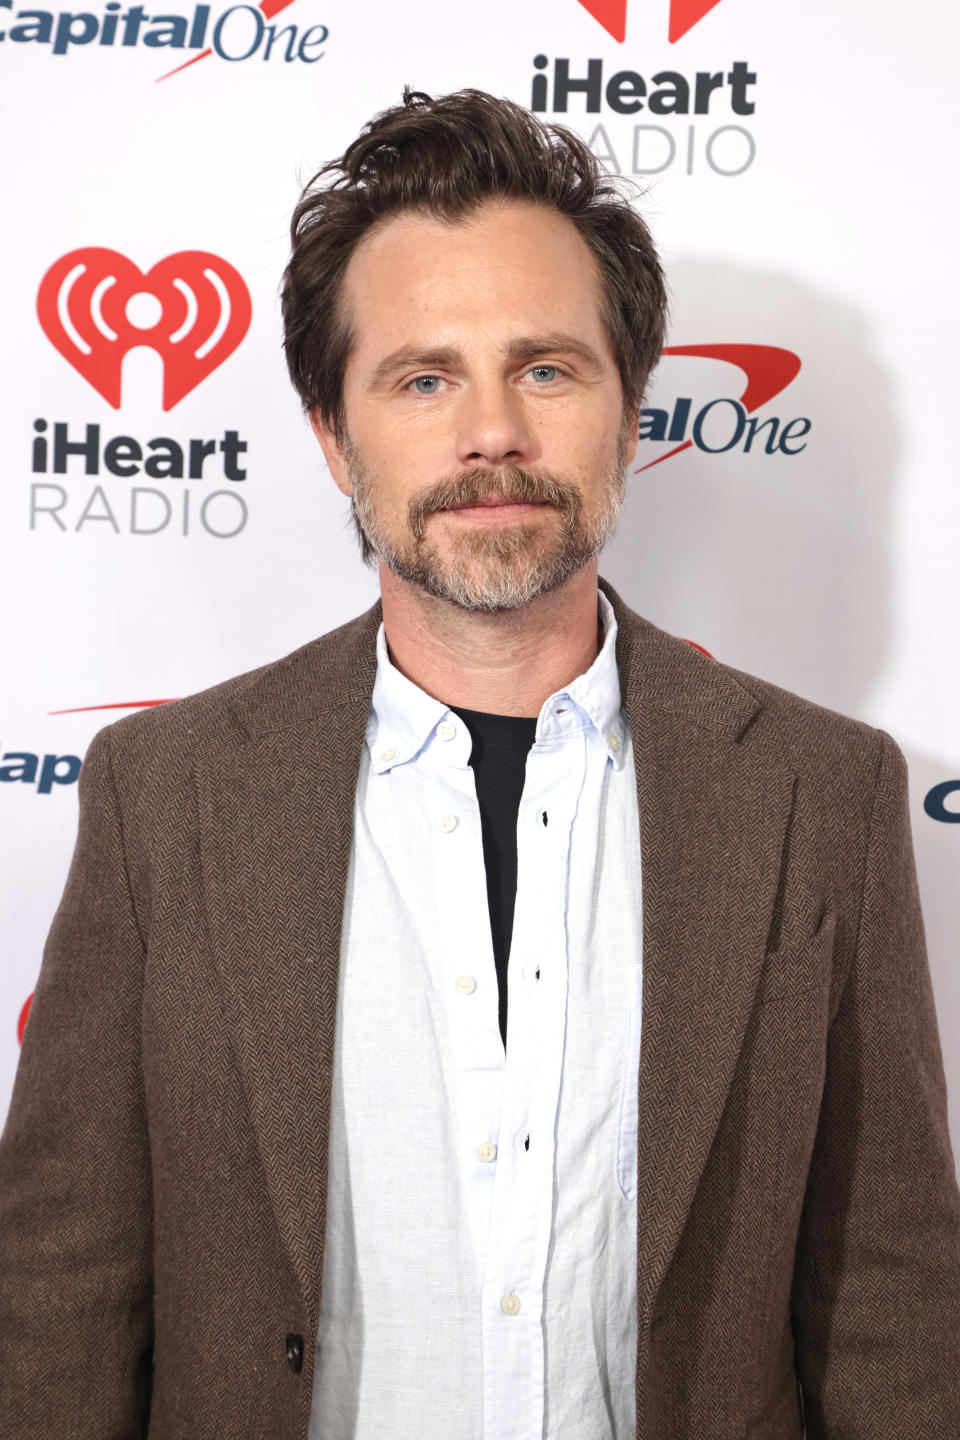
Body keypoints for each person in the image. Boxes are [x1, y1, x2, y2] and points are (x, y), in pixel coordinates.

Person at [1, 87, 958, 1440]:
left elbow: (892, 1296)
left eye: (547, 368)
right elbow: (62, 1293)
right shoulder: (166, 795)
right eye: (423, 376)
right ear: (335, 434)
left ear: (631, 417)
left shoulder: (825, 792)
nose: (491, 431)